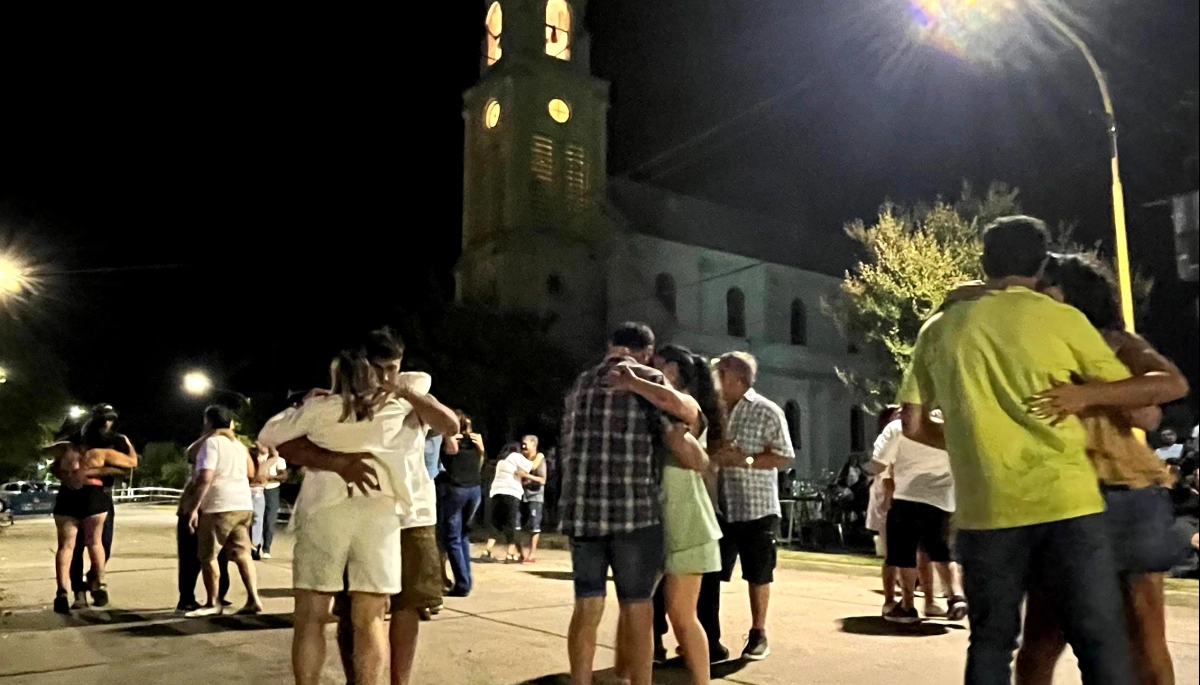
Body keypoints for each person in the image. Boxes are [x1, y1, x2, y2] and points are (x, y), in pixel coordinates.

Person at [898, 215, 1166, 685]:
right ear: (1041, 265)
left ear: (985, 261)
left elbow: (914, 424)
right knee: (1099, 642)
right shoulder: (1061, 319)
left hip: (986, 510)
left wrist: (965, 440)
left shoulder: (939, 328)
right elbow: (1139, 403)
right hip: (1067, 505)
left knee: (992, 642)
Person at [1009, 252, 1190, 685]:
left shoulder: (1116, 342)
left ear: (1071, 291)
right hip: (1062, 496)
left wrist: (1088, 395)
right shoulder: (1030, 342)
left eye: (1046, 284)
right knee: (1041, 640)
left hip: (1124, 491)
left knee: (1144, 639)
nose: (1035, 293)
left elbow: (1170, 384)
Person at [267, 328, 458, 685]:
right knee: (352, 609)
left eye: (393, 368)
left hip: (411, 511)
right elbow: (289, 446)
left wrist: (407, 393)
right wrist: (340, 461)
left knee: (406, 606)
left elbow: (449, 425)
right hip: (372, 512)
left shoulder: (410, 391)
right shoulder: (332, 400)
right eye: (378, 368)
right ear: (362, 365)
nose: (385, 376)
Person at [560, 322, 666, 685]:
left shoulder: (580, 383)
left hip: (583, 511)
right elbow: (678, 423)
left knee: (587, 606)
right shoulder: (647, 377)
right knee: (637, 607)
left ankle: (580, 681)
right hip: (633, 511)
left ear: (610, 345)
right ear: (647, 351)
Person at [612, 343, 724, 684]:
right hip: (652, 519)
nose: (654, 373)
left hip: (688, 521)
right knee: (634, 606)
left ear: (677, 375)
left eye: (662, 370)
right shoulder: (649, 413)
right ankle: (622, 674)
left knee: (681, 614)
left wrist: (633, 381)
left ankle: (701, 681)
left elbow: (681, 436)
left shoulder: (688, 410)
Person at [710, 351, 795, 661]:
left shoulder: (767, 411)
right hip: (720, 505)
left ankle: (758, 632)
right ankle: (708, 637)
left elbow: (784, 455)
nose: (716, 378)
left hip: (757, 506)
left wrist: (745, 459)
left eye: (721, 372)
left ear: (740, 378)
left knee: (758, 573)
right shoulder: (714, 410)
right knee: (710, 573)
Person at [875, 406, 966, 624]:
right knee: (942, 552)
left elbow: (880, 460)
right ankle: (956, 594)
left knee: (903, 554)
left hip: (908, 496)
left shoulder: (899, 428)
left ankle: (907, 606)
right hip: (942, 500)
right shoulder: (952, 429)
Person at [46, 405, 137, 614]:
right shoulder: (104, 447)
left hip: (73, 497)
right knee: (90, 543)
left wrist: (79, 474)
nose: (108, 423)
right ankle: (87, 588)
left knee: (70, 546)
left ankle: (71, 588)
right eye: (105, 419)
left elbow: (51, 459)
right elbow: (132, 462)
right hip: (95, 496)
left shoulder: (71, 447)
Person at [184, 405, 262, 617]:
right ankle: (253, 598)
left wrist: (194, 508)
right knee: (242, 554)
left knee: (208, 556)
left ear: (208, 422)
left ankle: (213, 602)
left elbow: (205, 477)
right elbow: (250, 472)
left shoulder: (211, 443)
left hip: (219, 505)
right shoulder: (239, 445)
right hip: (243, 504)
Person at [177, 421, 235, 614]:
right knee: (210, 555)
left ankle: (197, 597)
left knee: (202, 556)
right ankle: (207, 596)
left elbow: (193, 459)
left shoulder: (214, 444)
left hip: (209, 504)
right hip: (217, 505)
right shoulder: (229, 445)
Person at [438, 412, 485, 596]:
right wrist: (480, 447)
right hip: (475, 490)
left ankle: (462, 584)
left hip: (456, 490)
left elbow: (452, 450)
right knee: (463, 535)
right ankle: (466, 581)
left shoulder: (451, 443)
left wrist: (447, 433)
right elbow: (480, 463)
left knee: (452, 538)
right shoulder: (475, 444)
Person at [485, 441, 542, 563]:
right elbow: (532, 466)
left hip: (496, 493)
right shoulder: (515, 457)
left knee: (496, 523)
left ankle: (487, 551)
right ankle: (510, 554)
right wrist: (540, 456)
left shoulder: (501, 461)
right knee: (510, 524)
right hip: (511, 493)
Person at [519, 435, 548, 563]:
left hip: (535, 495)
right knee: (517, 523)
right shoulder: (521, 457)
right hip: (521, 494)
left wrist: (525, 475)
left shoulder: (539, 459)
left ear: (534, 445)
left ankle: (532, 554)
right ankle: (521, 553)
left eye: (526, 444)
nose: (523, 446)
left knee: (534, 525)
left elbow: (543, 480)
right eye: (523, 443)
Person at [260, 445, 287, 559]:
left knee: (269, 519)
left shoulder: (279, 460)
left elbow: (284, 476)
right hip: (258, 490)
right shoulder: (259, 458)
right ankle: (255, 547)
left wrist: (270, 477)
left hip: (272, 489)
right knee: (257, 519)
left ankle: (266, 548)